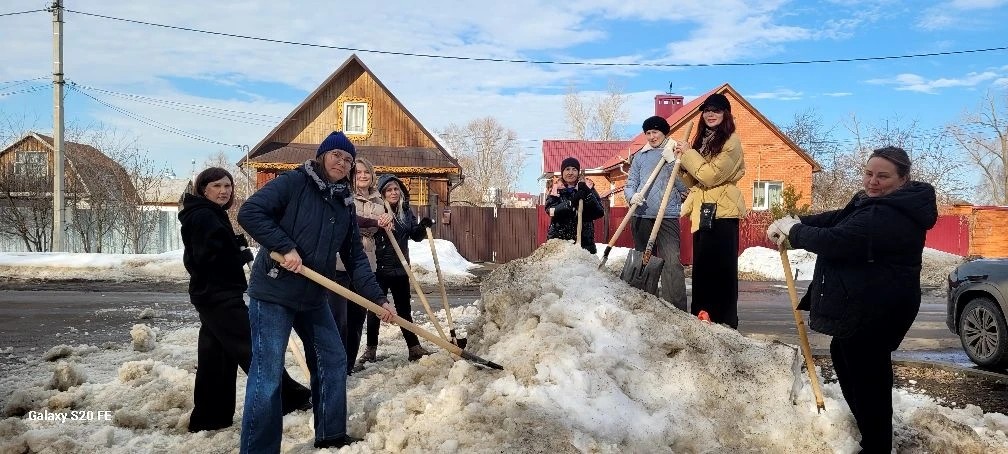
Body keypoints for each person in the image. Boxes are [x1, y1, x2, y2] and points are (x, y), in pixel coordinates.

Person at [766, 146, 938, 452]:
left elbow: (838, 240)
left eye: (883, 176)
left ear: (903, 179)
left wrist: (796, 231)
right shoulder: (872, 203)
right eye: (869, 173)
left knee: (868, 376)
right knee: (847, 356)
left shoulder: (892, 215)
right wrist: (796, 220)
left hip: (882, 307)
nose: (872, 181)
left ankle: (877, 444)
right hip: (865, 301)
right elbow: (835, 219)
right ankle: (872, 434)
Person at [237, 131, 397, 451]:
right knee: (268, 375)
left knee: (333, 359)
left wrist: (378, 298)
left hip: (312, 296)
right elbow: (250, 213)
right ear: (322, 156)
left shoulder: (343, 202)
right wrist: (284, 246)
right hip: (274, 291)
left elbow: (355, 258)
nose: (342, 162)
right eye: (336, 155)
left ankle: (331, 434)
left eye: (348, 159)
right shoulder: (293, 183)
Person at [178, 167, 311, 433]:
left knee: (215, 356)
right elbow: (204, 259)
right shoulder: (204, 215)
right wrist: (238, 255)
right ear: (204, 189)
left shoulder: (207, 213)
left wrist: (232, 245)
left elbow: (209, 250)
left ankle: (210, 416)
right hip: (218, 295)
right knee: (251, 346)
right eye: (217, 186)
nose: (224, 191)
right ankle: (289, 397)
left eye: (228, 186)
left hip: (211, 294)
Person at [670, 93, 746, 328]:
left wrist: (689, 155)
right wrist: (682, 164)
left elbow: (711, 176)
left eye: (717, 110)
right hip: (703, 212)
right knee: (702, 271)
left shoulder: (731, 142)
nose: (710, 114)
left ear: (726, 115)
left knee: (720, 272)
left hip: (723, 213)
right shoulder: (703, 141)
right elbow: (696, 181)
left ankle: (725, 322)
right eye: (707, 110)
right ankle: (702, 318)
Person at [357, 174, 435, 366]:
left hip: (401, 269)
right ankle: (370, 350)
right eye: (389, 190)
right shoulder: (379, 212)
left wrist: (423, 227)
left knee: (404, 310)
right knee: (375, 310)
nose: (393, 193)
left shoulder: (405, 212)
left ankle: (414, 348)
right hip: (380, 268)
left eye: (395, 189)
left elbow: (414, 236)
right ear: (383, 193)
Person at [327, 157, 393, 375]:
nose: (363, 176)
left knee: (356, 321)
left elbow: (386, 223)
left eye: (367, 172)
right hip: (340, 262)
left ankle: (347, 367)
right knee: (340, 320)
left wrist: (386, 223)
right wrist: (375, 223)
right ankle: (334, 366)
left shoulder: (378, 200)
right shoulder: (344, 195)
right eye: (358, 173)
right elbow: (351, 220)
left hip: (366, 262)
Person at [624, 115, 688, 311]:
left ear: (664, 132)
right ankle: (644, 303)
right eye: (648, 133)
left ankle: (674, 308)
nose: (652, 137)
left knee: (671, 261)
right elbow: (631, 183)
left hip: (667, 214)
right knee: (644, 259)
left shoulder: (677, 152)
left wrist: (672, 163)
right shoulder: (640, 157)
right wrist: (631, 196)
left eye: (655, 132)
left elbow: (684, 186)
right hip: (642, 213)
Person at [545, 157, 604, 253]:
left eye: (574, 169)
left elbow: (599, 212)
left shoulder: (587, 187)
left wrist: (588, 194)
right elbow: (550, 211)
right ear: (562, 172)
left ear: (578, 172)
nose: (570, 173)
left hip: (584, 243)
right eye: (567, 169)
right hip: (559, 242)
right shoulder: (556, 190)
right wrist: (571, 203)